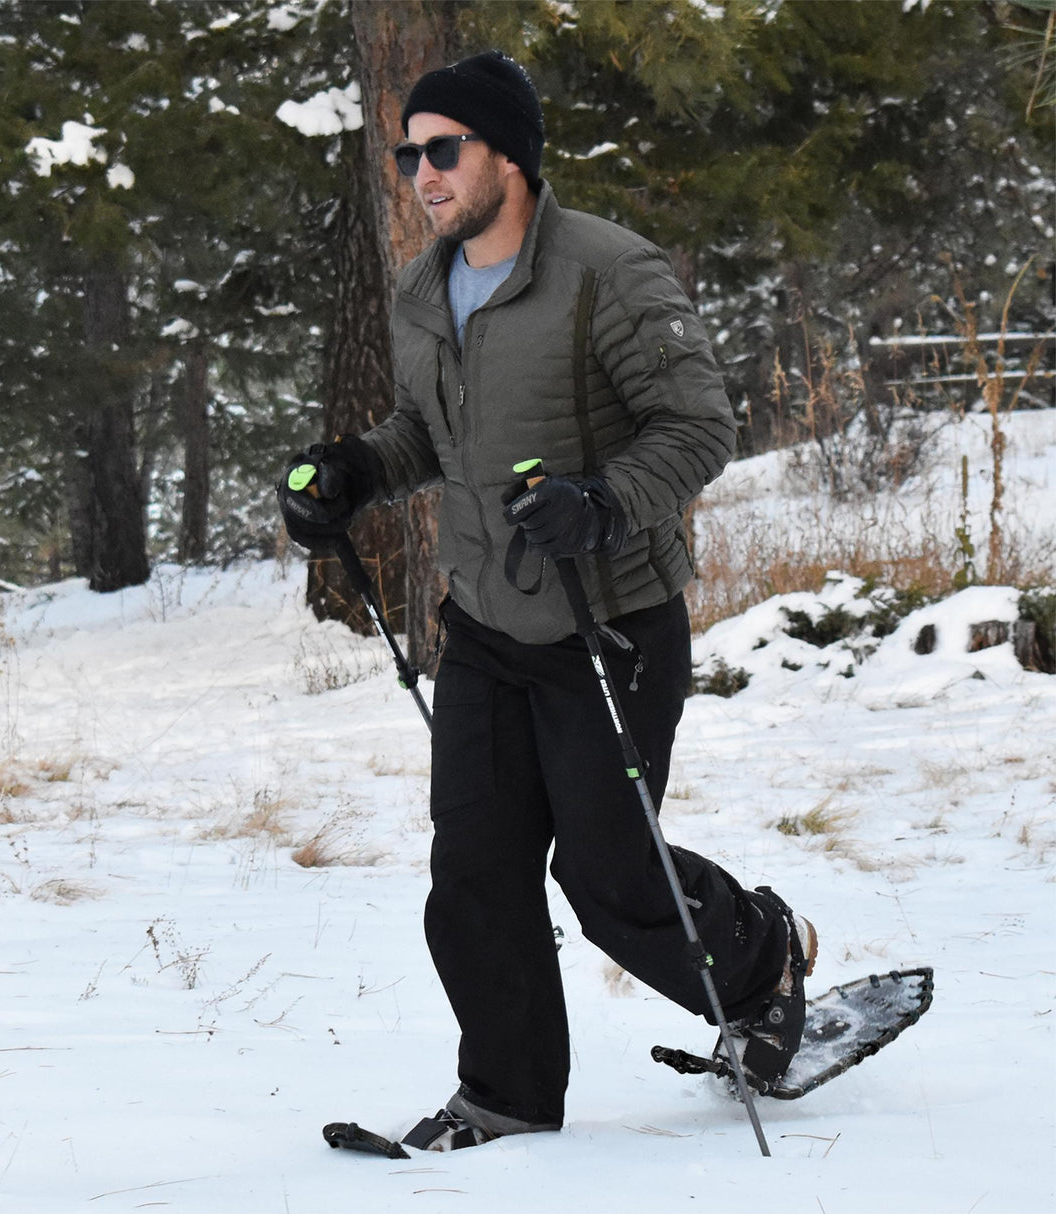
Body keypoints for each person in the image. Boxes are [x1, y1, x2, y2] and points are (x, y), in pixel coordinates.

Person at [277, 50, 816, 1152]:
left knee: (608, 876)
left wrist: (602, 501)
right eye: (405, 153)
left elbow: (699, 425)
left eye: (442, 149)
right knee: (471, 871)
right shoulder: (425, 288)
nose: (419, 173)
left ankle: (763, 963)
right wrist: (355, 472)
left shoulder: (609, 272)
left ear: (507, 155)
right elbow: (432, 434)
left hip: (604, 618)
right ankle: (507, 1091)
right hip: (480, 620)